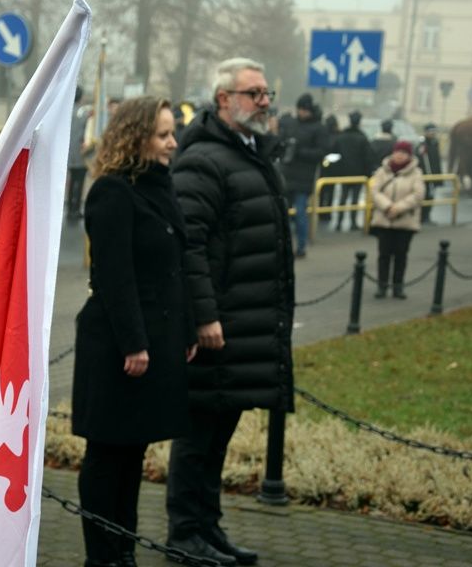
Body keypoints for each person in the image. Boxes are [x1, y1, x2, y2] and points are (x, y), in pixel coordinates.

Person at [167, 57, 295, 567]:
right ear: (224, 100)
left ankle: (208, 527)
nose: (265, 101)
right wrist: (204, 315)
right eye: (254, 93)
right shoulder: (204, 160)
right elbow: (188, 245)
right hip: (217, 326)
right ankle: (184, 533)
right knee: (198, 437)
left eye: (266, 92)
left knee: (218, 434)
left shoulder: (251, 152)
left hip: (246, 321)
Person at [71, 96, 198, 567]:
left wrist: (183, 330)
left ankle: (123, 551)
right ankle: (102, 557)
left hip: (152, 342)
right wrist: (135, 344)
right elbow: (114, 276)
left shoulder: (159, 187)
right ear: (136, 136)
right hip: (118, 348)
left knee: (132, 456)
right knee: (107, 456)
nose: (172, 143)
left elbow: (173, 269)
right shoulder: (112, 192)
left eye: (172, 133)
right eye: (163, 134)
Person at [369, 140, 426, 299]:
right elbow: (374, 191)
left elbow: (418, 195)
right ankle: (382, 286)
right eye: (397, 152)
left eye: (404, 153)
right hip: (384, 220)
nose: (399, 155)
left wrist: (398, 208)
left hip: (405, 221)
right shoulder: (382, 171)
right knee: (383, 255)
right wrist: (387, 206)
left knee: (401, 256)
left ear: (409, 155)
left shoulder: (416, 173)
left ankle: (398, 286)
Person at [280, 92, 329, 257]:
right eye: (299, 109)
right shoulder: (292, 124)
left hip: (304, 177)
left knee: (301, 213)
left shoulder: (319, 128)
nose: (301, 112)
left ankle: (301, 246)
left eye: (303, 110)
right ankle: (282, 244)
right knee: (282, 213)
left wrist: (300, 151)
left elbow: (321, 152)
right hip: (287, 174)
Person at [331, 110, 375, 231]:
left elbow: (333, 154)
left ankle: (338, 223)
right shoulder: (363, 138)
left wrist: (336, 170)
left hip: (343, 173)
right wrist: (368, 174)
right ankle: (353, 223)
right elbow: (368, 158)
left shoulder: (341, 136)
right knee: (355, 199)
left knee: (342, 199)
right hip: (358, 174)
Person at [67, 85, 90, 221]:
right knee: (79, 182)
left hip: (70, 154)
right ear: (80, 97)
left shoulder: (68, 112)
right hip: (82, 154)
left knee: (71, 181)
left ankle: (70, 208)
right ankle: (76, 209)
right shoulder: (84, 114)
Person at [417, 123, 442, 225]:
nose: (433, 134)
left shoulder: (435, 143)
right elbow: (420, 159)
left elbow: (437, 161)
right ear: (426, 132)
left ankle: (427, 216)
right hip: (425, 175)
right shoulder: (423, 145)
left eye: (434, 131)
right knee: (425, 197)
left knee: (431, 197)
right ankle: (423, 217)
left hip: (433, 175)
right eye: (430, 132)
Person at [317, 114, 341, 224]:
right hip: (334, 168)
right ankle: (328, 212)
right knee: (330, 191)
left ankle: (321, 211)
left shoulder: (323, 136)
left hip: (323, 166)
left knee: (322, 191)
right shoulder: (338, 136)